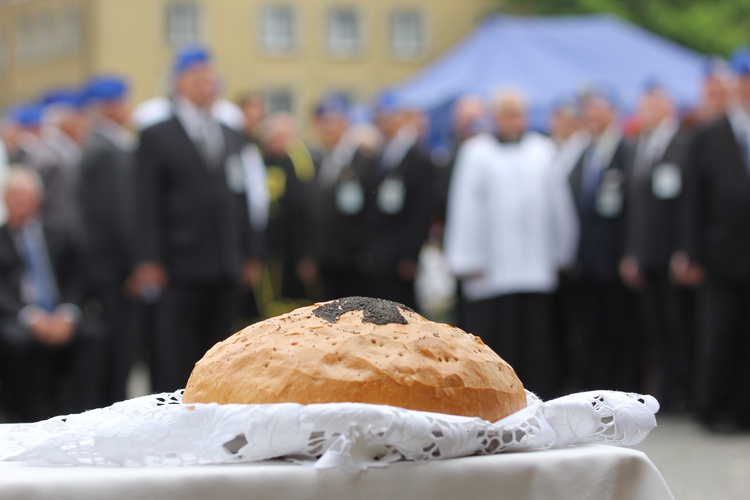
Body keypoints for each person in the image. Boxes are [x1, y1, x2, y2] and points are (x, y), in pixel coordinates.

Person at [131, 45, 262, 393]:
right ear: (180, 84)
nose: (209, 87)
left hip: (224, 263)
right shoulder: (157, 134)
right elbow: (145, 203)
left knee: (219, 348)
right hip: (179, 263)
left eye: (212, 80)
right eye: (201, 80)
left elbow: (241, 196)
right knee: (175, 349)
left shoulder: (229, 132)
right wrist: (149, 259)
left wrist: (249, 253)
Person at [444, 89, 578, 399]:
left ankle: (538, 397)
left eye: (517, 113)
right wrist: (466, 258)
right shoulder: (475, 151)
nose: (512, 120)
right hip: (491, 269)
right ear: (494, 117)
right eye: (505, 113)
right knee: (496, 339)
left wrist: (562, 251)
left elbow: (559, 205)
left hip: (535, 266)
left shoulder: (543, 150)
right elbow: (465, 207)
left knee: (535, 340)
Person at [674, 47, 750, 432]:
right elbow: (692, 200)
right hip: (720, 253)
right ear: (735, 85)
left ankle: (743, 408)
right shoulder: (709, 135)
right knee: (718, 333)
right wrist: (690, 252)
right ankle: (713, 407)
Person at [0, 167, 103, 422]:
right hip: (17, 316)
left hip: (60, 312)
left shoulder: (60, 233)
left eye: (25, 196)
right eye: (14, 196)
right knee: (18, 343)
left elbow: (79, 278)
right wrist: (31, 317)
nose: (20, 202)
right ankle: (27, 419)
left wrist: (67, 313)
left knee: (95, 336)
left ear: (38, 200)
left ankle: (82, 416)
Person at [620, 83, 691, 411]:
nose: (643, 114)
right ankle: (664, 386)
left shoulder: (683, 145)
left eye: (649, 108)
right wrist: (632, 253)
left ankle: (681, 387)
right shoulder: (637, 148)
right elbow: (634, 208)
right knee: (654, 325)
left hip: (671, 254)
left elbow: (685, 206)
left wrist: (684, 250)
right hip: (645, 255)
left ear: (665, 108)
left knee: (678, 323)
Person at [567, 87, 637, 393]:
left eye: (598, 111)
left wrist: (629, 253)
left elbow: (634, 208)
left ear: (612, 113)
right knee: (593, 324)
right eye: (588, 113)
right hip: (588, 259)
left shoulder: (626, 150)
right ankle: (598, 384)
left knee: (621, 324)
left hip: (615, 255)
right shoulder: (585, 153)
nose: (592, 118)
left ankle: (624, 385)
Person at [78, 75, 139, 404]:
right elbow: (118, 216)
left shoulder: (103, 145)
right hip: (113, 268)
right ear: (111, 106)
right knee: (117, 347)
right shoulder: (105, 150)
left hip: (107, 265)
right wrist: (134, 264)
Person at [361, 91, 436, 310]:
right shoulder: (384, 153)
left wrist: (410, 256)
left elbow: (420, 212)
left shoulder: (418, 159)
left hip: (400, 255)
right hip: (381, 252)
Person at [304, 93, 373, 301]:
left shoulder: (363, 161)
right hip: (326, 258)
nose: (329, 129)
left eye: (334, 122)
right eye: (324, 122)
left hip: (354, 259)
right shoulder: (316, 161)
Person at [258, 112, 317, 314]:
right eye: (280, 136)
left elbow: (305, 206)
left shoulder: (297, 163)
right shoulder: (257, 162)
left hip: (293, 242)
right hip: (266, 243)